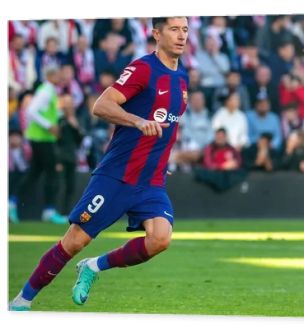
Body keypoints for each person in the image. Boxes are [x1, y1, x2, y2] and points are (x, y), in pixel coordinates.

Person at [9, 16, 190, 311]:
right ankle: (21, 302)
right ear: (156, 33)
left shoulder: (183, 76)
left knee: (160, 239)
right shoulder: (143, 68)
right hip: (117, 176)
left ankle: (94, 267)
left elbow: (168, 126)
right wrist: (136, 121)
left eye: (184, 29)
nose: (181, 35)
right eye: (173, 29)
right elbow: (102, 105)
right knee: (74, 242)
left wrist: (160, 158)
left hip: (151, 180)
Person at [9, 65, 66, 225]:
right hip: (42, 138)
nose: (60, 77)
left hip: (40, 137)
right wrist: (49, 125)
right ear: (49, 76)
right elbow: (31, 111)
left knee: (34, 173)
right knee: (51, 173)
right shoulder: (46, 91)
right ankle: (49, 210)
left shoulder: (48, 90)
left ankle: (11, 202)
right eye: (57, 74)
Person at [57, 94, 84, 214]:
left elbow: (79, 141)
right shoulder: (59, 120)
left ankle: (66, 212)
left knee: (71, 186)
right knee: (59, 185)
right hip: (61, 157)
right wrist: (56, 160)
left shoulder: (75, 120)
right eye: (66, 102)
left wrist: (76, 127)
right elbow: (56, 141)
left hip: (71, 157)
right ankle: (54, 212)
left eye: (70, 103)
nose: (69, 105)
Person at [173, 91, 213, 170]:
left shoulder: (209, 116)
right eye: (195, 99)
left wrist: (202, 151)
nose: (197, 102)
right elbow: (182, 133)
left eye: (200, 99)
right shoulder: (183, 114)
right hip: (185, 147)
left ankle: (177, 157)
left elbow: (210, 138)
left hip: (203, 151)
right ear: (190, 101)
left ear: (204, 101)